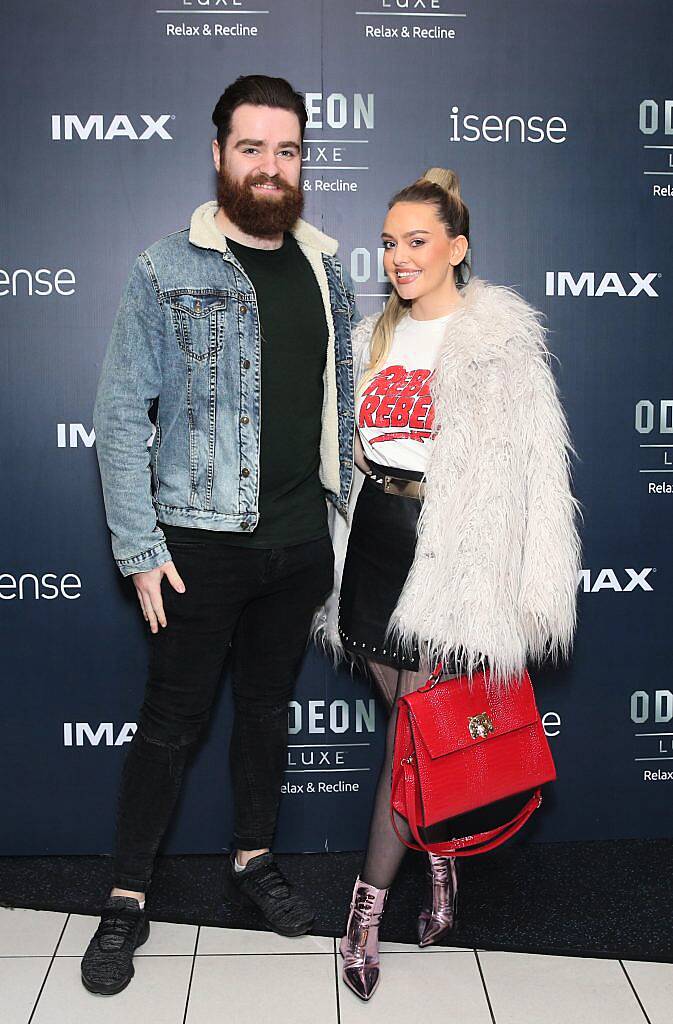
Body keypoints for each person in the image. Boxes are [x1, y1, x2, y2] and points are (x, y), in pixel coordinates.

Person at [81, 74, 360, 996]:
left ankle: (251, 860)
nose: (271, 167)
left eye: (287, 150)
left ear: (301, 160)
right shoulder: (167, 267)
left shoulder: (326, 267)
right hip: (196, 545)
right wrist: (139, 547)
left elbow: (343, 411)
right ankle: (125, 898)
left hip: (298, 544)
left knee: (268, 713)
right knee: (170, 725)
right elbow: (121, 415)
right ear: (218, 154)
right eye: (252, 148)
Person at [315, 168, 581, 1001]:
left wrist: (519, 585)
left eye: (416, 241)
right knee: (412, 723)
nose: (398, 257)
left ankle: (365, 911)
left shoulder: (496, 340)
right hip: (374, 545)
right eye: (390, 243)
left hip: (450, 555)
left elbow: (537, 472)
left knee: (409, 737)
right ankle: (440, 861)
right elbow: (344, 443)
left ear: (456, 248)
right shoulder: (370, 338)